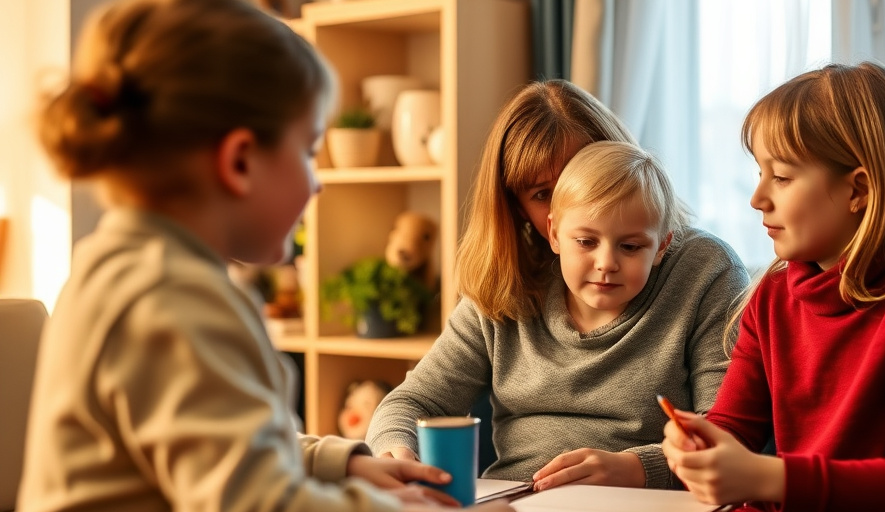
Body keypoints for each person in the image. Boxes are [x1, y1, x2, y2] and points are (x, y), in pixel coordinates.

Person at [17, 1, 513, 511]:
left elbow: (225, 440)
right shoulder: (172, 298)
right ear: (239, 162)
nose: (317, 184)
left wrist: (340, 462)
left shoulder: (120, 268)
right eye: (307, 151)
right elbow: (261, 503)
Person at [660, 62, 885, 511]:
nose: (758, 199)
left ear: (858, 189)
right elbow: (733, 429)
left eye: (782, 177)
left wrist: (767, 478)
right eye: (760, 174)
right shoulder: (773, 293)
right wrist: (698, 448)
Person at [366, 79, 749, 491]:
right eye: (544, 193)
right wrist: (397, 454)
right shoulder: (506, 280)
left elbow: (728, 434)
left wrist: (638, 469)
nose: (576, 203)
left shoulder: (703, 270)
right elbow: (412, 402)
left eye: (587, 173)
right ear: (519, 208)